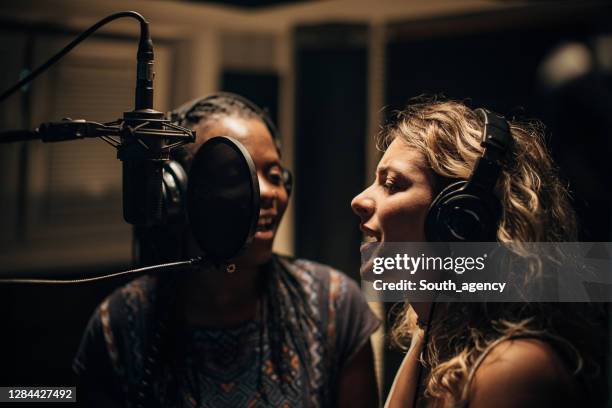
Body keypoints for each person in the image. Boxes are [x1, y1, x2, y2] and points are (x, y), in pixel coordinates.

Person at [74, 93, 380, 408]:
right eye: (235, 175)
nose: (266, 193)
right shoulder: (119, 324)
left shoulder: (335, 304)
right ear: (178, 192)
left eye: (274, 176)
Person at [351, 98, 606, 407]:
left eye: (391, 184)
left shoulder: (512, 370)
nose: (359, 200)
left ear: (460, 220)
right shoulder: (434, 338)